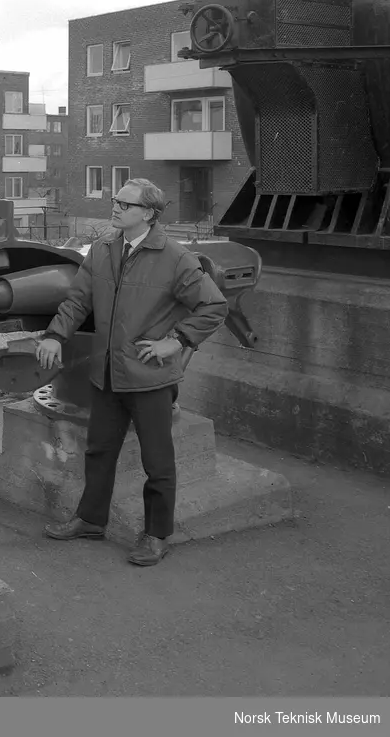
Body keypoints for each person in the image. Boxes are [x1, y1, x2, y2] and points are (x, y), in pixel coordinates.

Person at [35, 178, 227, 566]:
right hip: (106, 374)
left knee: (157, 462)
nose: (116, 207)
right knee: (99, 451)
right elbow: (77, 300)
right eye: (115, 201)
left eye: (125, 203)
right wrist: (55, 335)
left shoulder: (174, 258)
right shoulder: (103, 249)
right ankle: (90, 520)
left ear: (148, 214)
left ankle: (156, 535)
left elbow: (213, 305)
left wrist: (177, 341)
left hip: (149, 378)